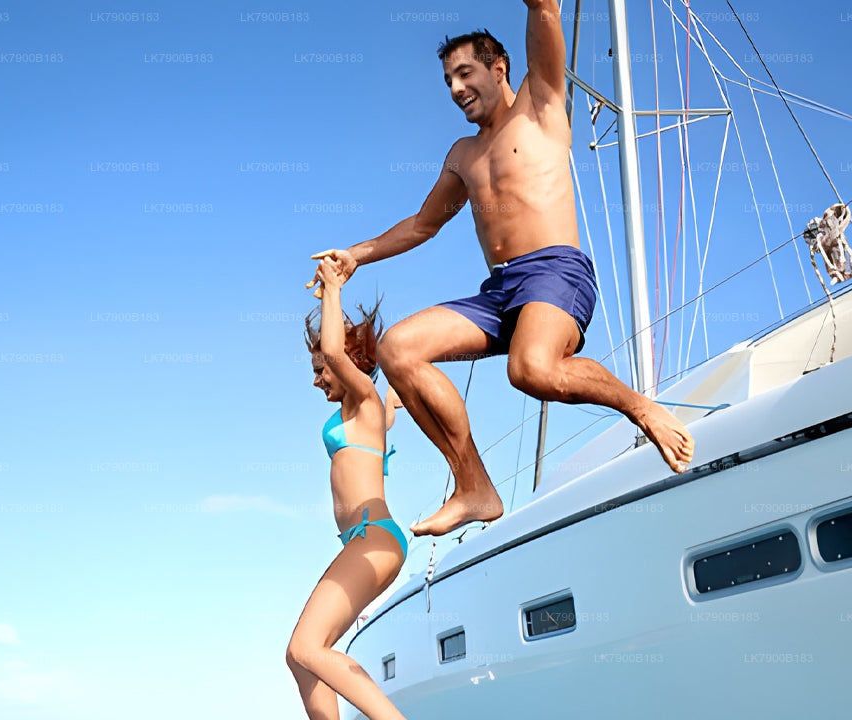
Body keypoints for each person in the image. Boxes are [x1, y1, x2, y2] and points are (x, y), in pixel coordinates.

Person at [307, 3, 694, 538]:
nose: (455, 88)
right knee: (399, 347)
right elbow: (423, 225)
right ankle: (473, 486)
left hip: (555, 271)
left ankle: (641, 407)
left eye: (464, 73)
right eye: (447, 80)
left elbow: (546, 11)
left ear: (500, 67)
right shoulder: (463, 155)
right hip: (500, 292)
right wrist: (355, 254)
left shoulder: (541, 103)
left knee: (529, 370)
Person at [286, 256, 409, 720]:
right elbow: (392, 410)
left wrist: (332, 289)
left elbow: (337, 352)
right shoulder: (373, 414)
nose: (316, 378)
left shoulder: (364, 402)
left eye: (321, 369)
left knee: (308, 647)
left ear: (350, 365)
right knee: (299, 659)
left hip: (375, 536)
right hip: (361, 541)